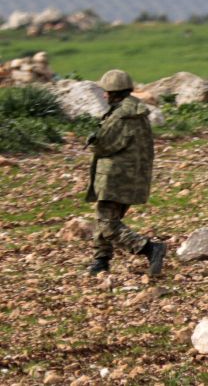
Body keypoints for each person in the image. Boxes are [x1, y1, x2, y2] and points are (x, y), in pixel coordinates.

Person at [84, 69, 166, 276]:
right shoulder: (137, 112)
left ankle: (149, 248)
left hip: (115, 178)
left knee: (107, 223)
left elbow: (104, 145)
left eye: (107, 91)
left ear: (114, 92)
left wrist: (93, 140)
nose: (104, 95)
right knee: (107, 218)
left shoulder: (121, 116)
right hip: (133, 176)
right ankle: (100, 261)